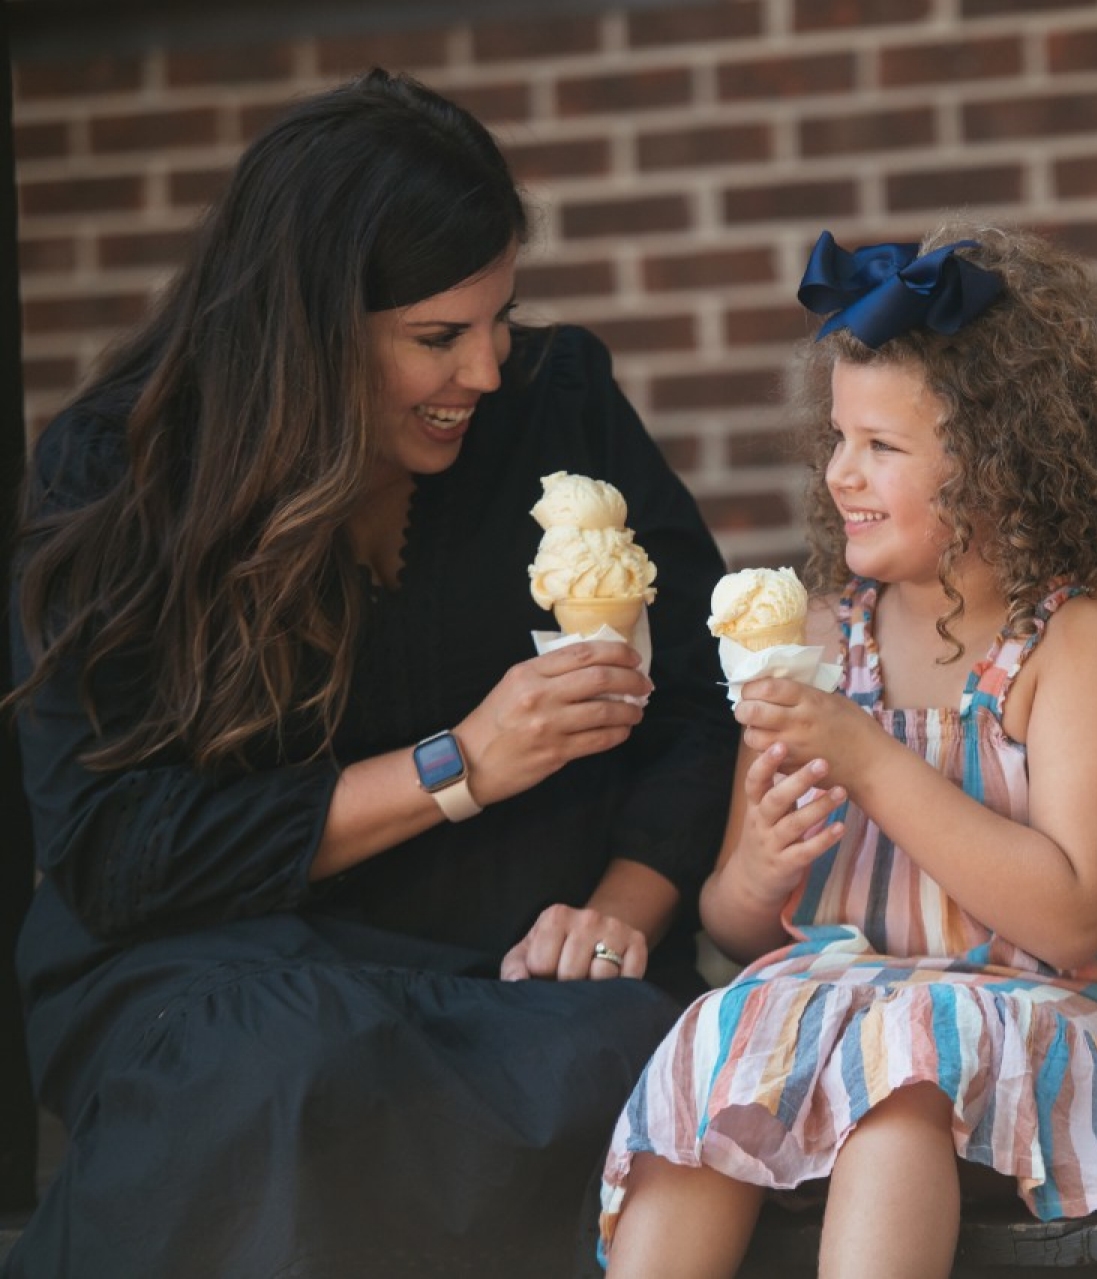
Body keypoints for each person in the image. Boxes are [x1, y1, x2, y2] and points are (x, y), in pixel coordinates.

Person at [3, 70, 738, 1277]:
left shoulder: (560, 405)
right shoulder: (119, 472)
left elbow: (702, 705)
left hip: (517, 980)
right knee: (275, 1079)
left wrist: (623, 908)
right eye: (437, 339)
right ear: (303, 330)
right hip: (223, 970)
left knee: (644, 1065)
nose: (487, 371)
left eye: (500, 319)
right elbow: (114, 846)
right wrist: (459, 765)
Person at [597, 222, 1097, 1279]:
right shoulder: (817, 639)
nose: (844, 474)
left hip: (1072, 1035)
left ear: (1003, 464)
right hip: (859, 1021)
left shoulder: (1085, 646)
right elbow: (736, 925)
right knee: (723, 1035)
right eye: (838, 440)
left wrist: (868, 760)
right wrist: (761, 859)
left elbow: (1074, 916)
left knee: (901, 1091)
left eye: (883, 448)